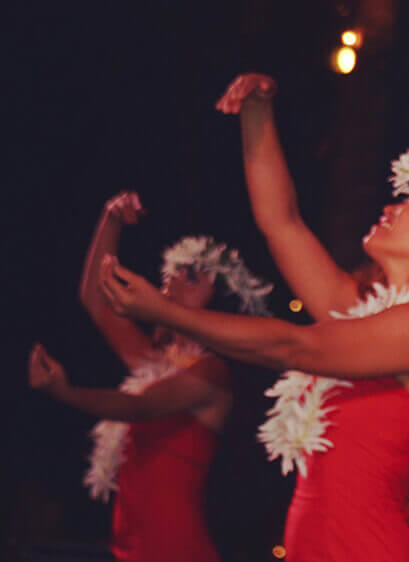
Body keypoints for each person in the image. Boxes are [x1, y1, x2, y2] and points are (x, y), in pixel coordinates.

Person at [98, 73, 409, 561]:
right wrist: (258, 114)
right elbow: (281, 221)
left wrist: (165, 312)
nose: (393, 204)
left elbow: (295, 346)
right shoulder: (360, 310)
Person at [28, 192, 272, 562]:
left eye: (195, 276)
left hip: (175, 547)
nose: (179, 279)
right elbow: (97, 299)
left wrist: (67, 393)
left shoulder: (213, 373)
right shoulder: (153, 359)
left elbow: (139, 406)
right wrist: (110, 220)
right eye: (177, 272)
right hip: (131, 542)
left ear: (221, 301)